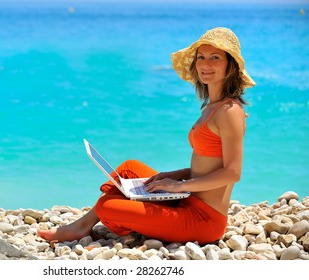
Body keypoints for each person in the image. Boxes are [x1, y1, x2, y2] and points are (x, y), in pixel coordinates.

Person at [38, 27, 256, 244]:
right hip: (185, 200)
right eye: (201, 57)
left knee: (107, 207)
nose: (205, 64)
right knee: (129, 168)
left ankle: (85, 226)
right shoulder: (212, 106)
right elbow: (211, 165)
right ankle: (87, 224)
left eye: (215, 58)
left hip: (203, 220)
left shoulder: (229, 111)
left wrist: (178, 186)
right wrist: (175, 174)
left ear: (230, 67)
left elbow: (232, 173)